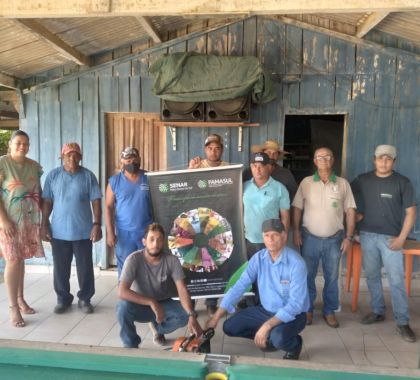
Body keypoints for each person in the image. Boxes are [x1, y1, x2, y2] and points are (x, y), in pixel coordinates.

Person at [206, 219, 309, 360]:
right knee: (229, 327)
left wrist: (267, 325)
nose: (270, 240)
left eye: (275, 235)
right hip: (265, 310)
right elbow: (239, 286)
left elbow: (296, 304)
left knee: (278, 338)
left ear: (284, 236)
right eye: (266, 235)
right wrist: (215, 317)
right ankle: (268, 337)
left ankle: (294, 344)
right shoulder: (258, 259)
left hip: (294, 315)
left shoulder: (296, 263)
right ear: (263, 238)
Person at [351, 145, 417, 342]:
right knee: (371, 276)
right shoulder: (362, 180)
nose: (384, 162)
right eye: (380, 158)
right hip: (367, 235)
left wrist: (402, 238)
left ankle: (403, 322)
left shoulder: (402, 182)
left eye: (388, 159)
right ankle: (378, 311)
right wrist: (355, 222)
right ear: (374, 160)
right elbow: (347, 201)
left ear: (394, 161)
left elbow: (411, 212)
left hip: (392, 239)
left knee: (396, 280)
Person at [292, 147, 356, 328]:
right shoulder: (306, 182)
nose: (324, 160)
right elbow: (297, 208)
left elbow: (350, 211)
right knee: (307, 276)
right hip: (309, 238)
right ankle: (308, 309)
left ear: (333, 160)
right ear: (314, 161)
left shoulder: (343, 184)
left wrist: (349, 237)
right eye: (320, 157)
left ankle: (329, 310)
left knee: (332, 277)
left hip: (335, 239)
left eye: (328, 157)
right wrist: (296, 231)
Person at [116, 223, 203, 348]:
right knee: (122, 308)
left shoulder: (172, 260)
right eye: (151, 239)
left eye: (159, 240)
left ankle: (158, 328)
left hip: (164, 302)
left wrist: (191, 315)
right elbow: (122, 291)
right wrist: (152, 302)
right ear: (144, 242)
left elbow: (182, 288)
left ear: (164, 243)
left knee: (186, 313)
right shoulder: (133, 259)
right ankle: (130, 344)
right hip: (142, 304)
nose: (155, 244)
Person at [41, 142, 102, 314]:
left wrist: (97, 224)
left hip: (83, 231)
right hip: (59, 232)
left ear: (80, 157)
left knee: (85, 268)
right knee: (60, 268)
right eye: (68, 155)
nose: (72, 158)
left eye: (76, 155)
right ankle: (63, 299)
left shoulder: (88, 176)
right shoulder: (53, 176)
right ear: (62, 157)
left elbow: (96, 201)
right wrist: (44, 224)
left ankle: (85, 299)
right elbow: (47, 201)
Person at [0, 130, 44, 327]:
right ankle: (13, 308)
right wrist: (3, 220)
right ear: (10, 144)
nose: (22, 146)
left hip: (28, 221)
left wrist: (42, 221)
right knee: (12, 260)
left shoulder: (34, 166)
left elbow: (39, 193)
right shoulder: (2, 163)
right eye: (18, 142)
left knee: (21, 259)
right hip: (8, 222)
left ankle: (20, 298)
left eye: (26, 143)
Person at [187, 133, 228, 315]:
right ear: (205, 150)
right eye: (210, 148)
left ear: (222, 150)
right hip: (197, 220)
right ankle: (193, 301)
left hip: (217, 222)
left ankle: (212, 301)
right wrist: (190, 170)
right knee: (195, 260)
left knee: (212, 261)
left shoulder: (230, 168)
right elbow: (186, 187)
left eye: (217, 148)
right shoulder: (197, 165)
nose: (213, 151)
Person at [105, 147, 153, 277]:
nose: (132, 162)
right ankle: (126, 297)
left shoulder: (149, 178)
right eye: (128, 160)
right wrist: (110, 233)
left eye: (134, 159)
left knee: (147, 268)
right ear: (122, 162)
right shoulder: (114, 182)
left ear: (140, 159)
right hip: (124, 234)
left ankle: (145, 296)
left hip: (146, 232)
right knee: (126, 269)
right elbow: (108, 207)